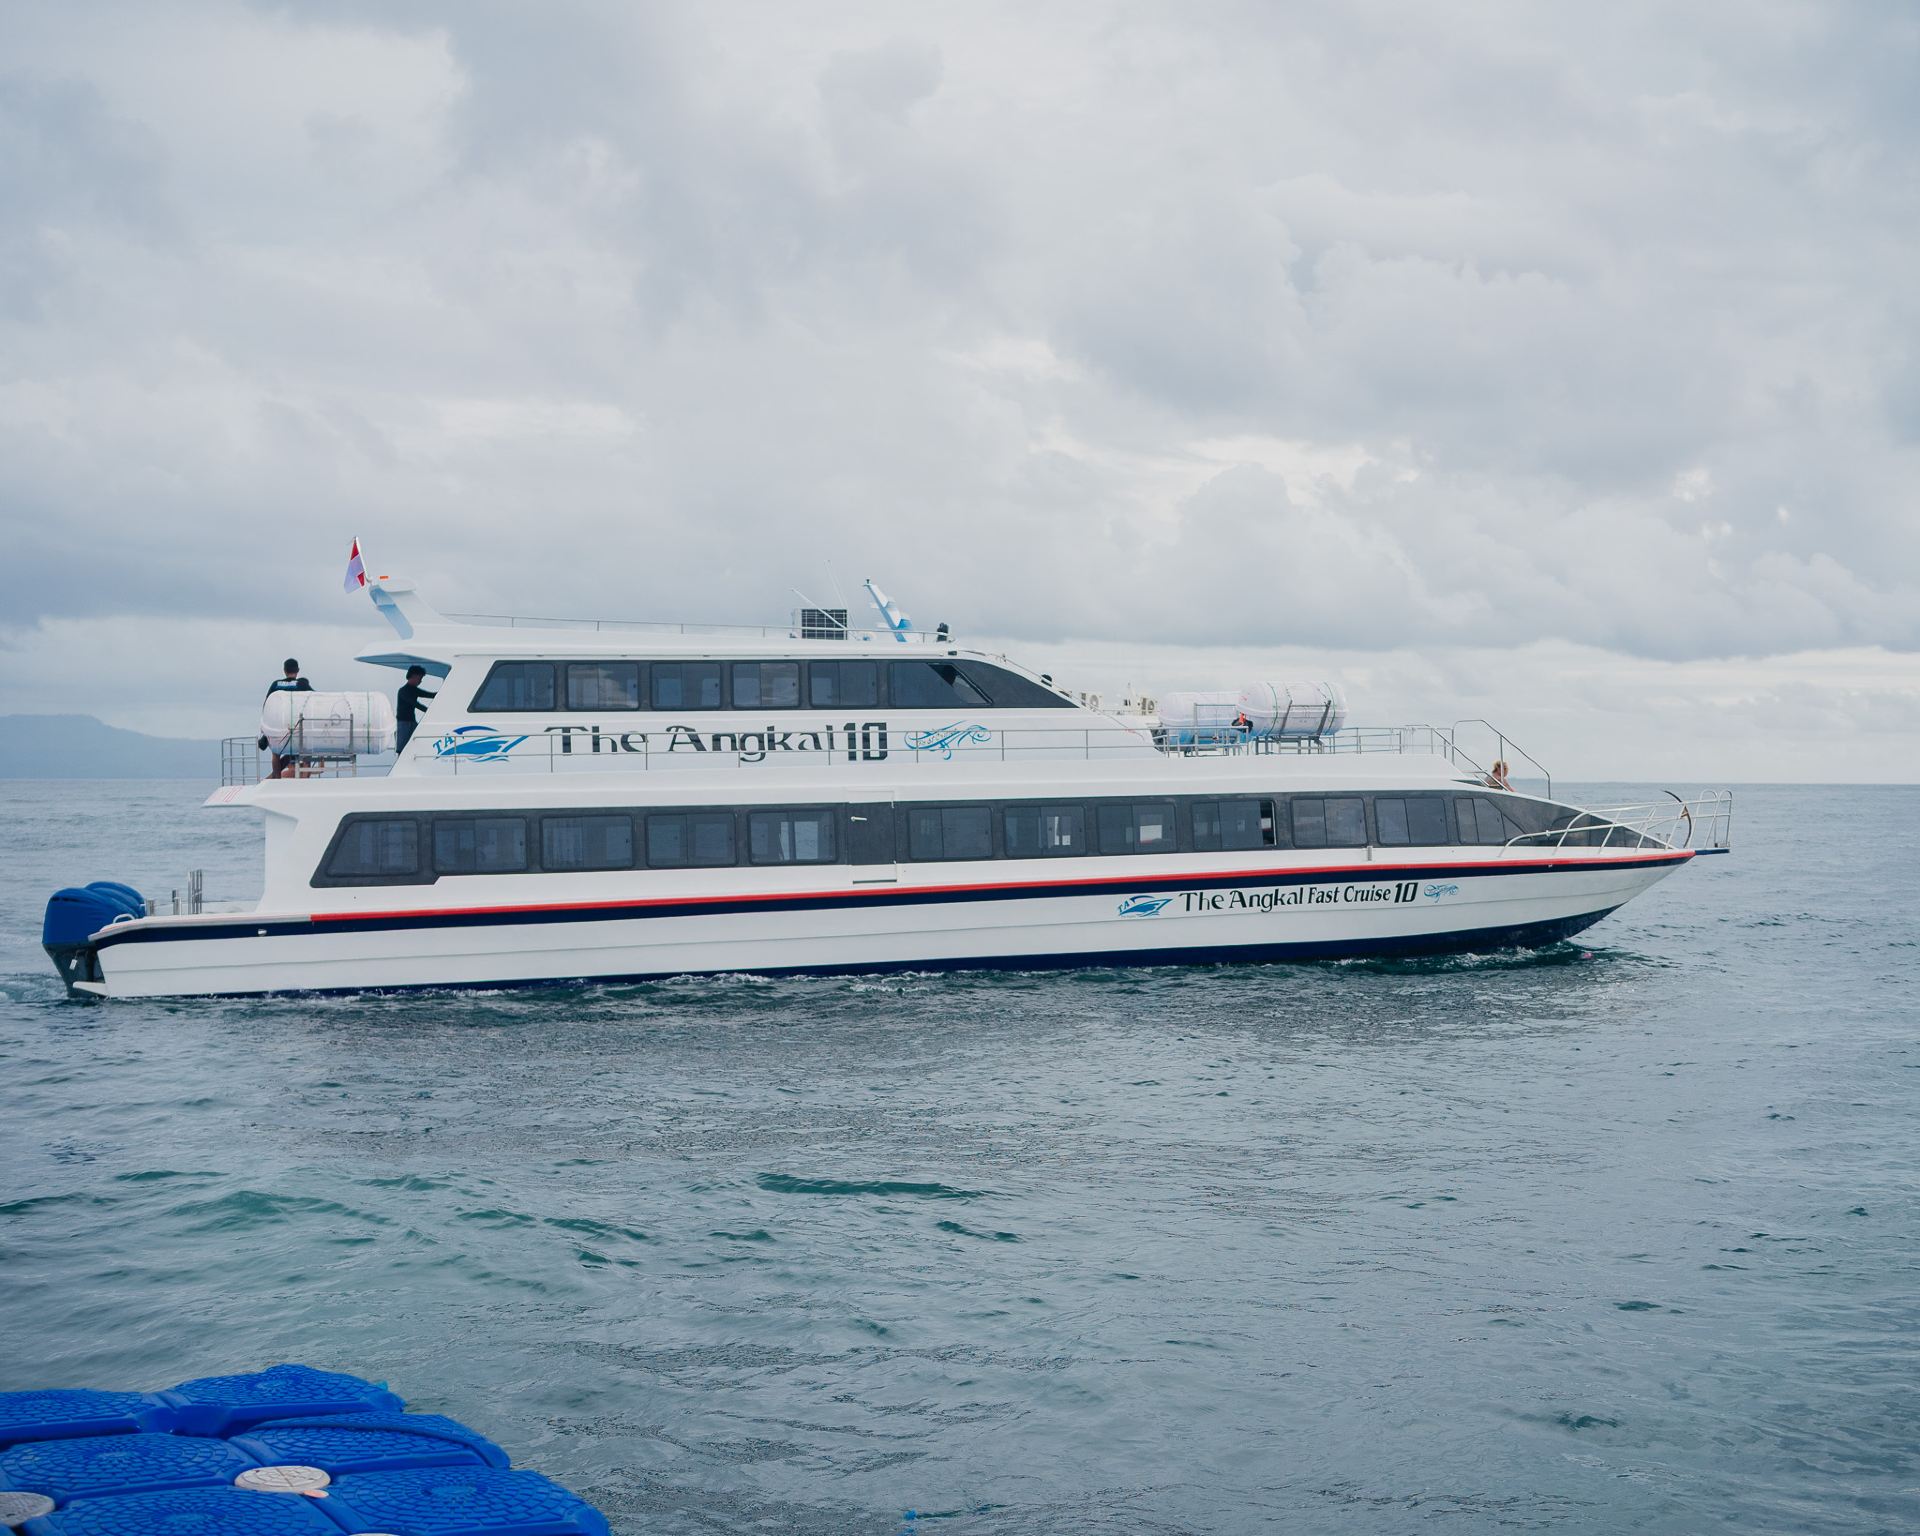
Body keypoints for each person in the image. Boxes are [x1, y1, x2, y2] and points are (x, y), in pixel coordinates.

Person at [263, 659, 312, 779]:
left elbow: (267, 704)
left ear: (284, 671)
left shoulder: (276, 684)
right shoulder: (301, 684)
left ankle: (276, 777)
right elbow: (314, 699)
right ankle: (305, 780)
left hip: (279, 726)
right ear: (298, 671)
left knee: (276, 753)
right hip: (297, 727)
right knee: (306, 753)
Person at [395, 665, 437, 753]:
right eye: (420, 678)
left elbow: (431, 695)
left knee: (417, 743)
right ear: (414, 676)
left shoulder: (414, 690)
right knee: (402, 748)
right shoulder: (403, 691)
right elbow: (415, 704)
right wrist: (429, 711)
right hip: (403, 723)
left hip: (412, 722)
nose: (421, 681)